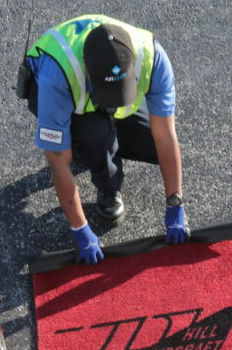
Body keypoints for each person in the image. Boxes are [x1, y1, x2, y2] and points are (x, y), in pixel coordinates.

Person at [23, 14, 189, 264]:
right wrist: (80, 229)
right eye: (108, 94)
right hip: (45, 87)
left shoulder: (153, 59)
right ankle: (106, 184)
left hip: (96, 95)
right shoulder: (57, 78)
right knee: (97, 132)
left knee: (153, 145)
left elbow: (166, 136)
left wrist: (175, 204)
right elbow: (58, 163)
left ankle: (96, 137)